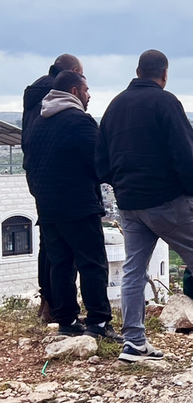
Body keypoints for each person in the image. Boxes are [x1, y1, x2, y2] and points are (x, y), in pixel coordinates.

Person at [96, 49, 193, 362]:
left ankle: (133, 341)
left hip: (130, 203)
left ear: (138, 71)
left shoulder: (115, 105)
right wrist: (189, 188)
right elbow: (186, 153)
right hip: (169, 201)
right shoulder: (165, 102)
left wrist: (121, 185)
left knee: (134, 270)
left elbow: (101, 162)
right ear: (164, 74)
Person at [24, 71, 122, 342]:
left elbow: (30, 164)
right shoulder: (80, 121)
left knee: (61, 263)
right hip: (78, 204)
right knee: (92, 263)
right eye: (87, 89)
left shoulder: (38, 124)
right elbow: (100, 163)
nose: (90, 95)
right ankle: (98, 321)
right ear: (75, 91)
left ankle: (66, 319)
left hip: (48, 206)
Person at [22, 54, 83, 324]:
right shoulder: (54, 95)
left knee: (50, 240)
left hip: (36, 173)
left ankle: (48, 301)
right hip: (59, 176)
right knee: (62, 247)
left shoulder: (35, 93)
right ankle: (60, 306)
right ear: (72, 75)